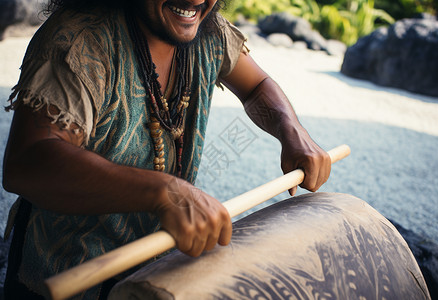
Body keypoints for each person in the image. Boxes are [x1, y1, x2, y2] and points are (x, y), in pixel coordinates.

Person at [2, 0, 331, 298]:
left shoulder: (208, 31)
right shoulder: (80, 40)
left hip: (157, 275)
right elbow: (28, 163)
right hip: (64, 274)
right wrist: (163, 191)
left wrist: (291, 128)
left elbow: (257, 87)